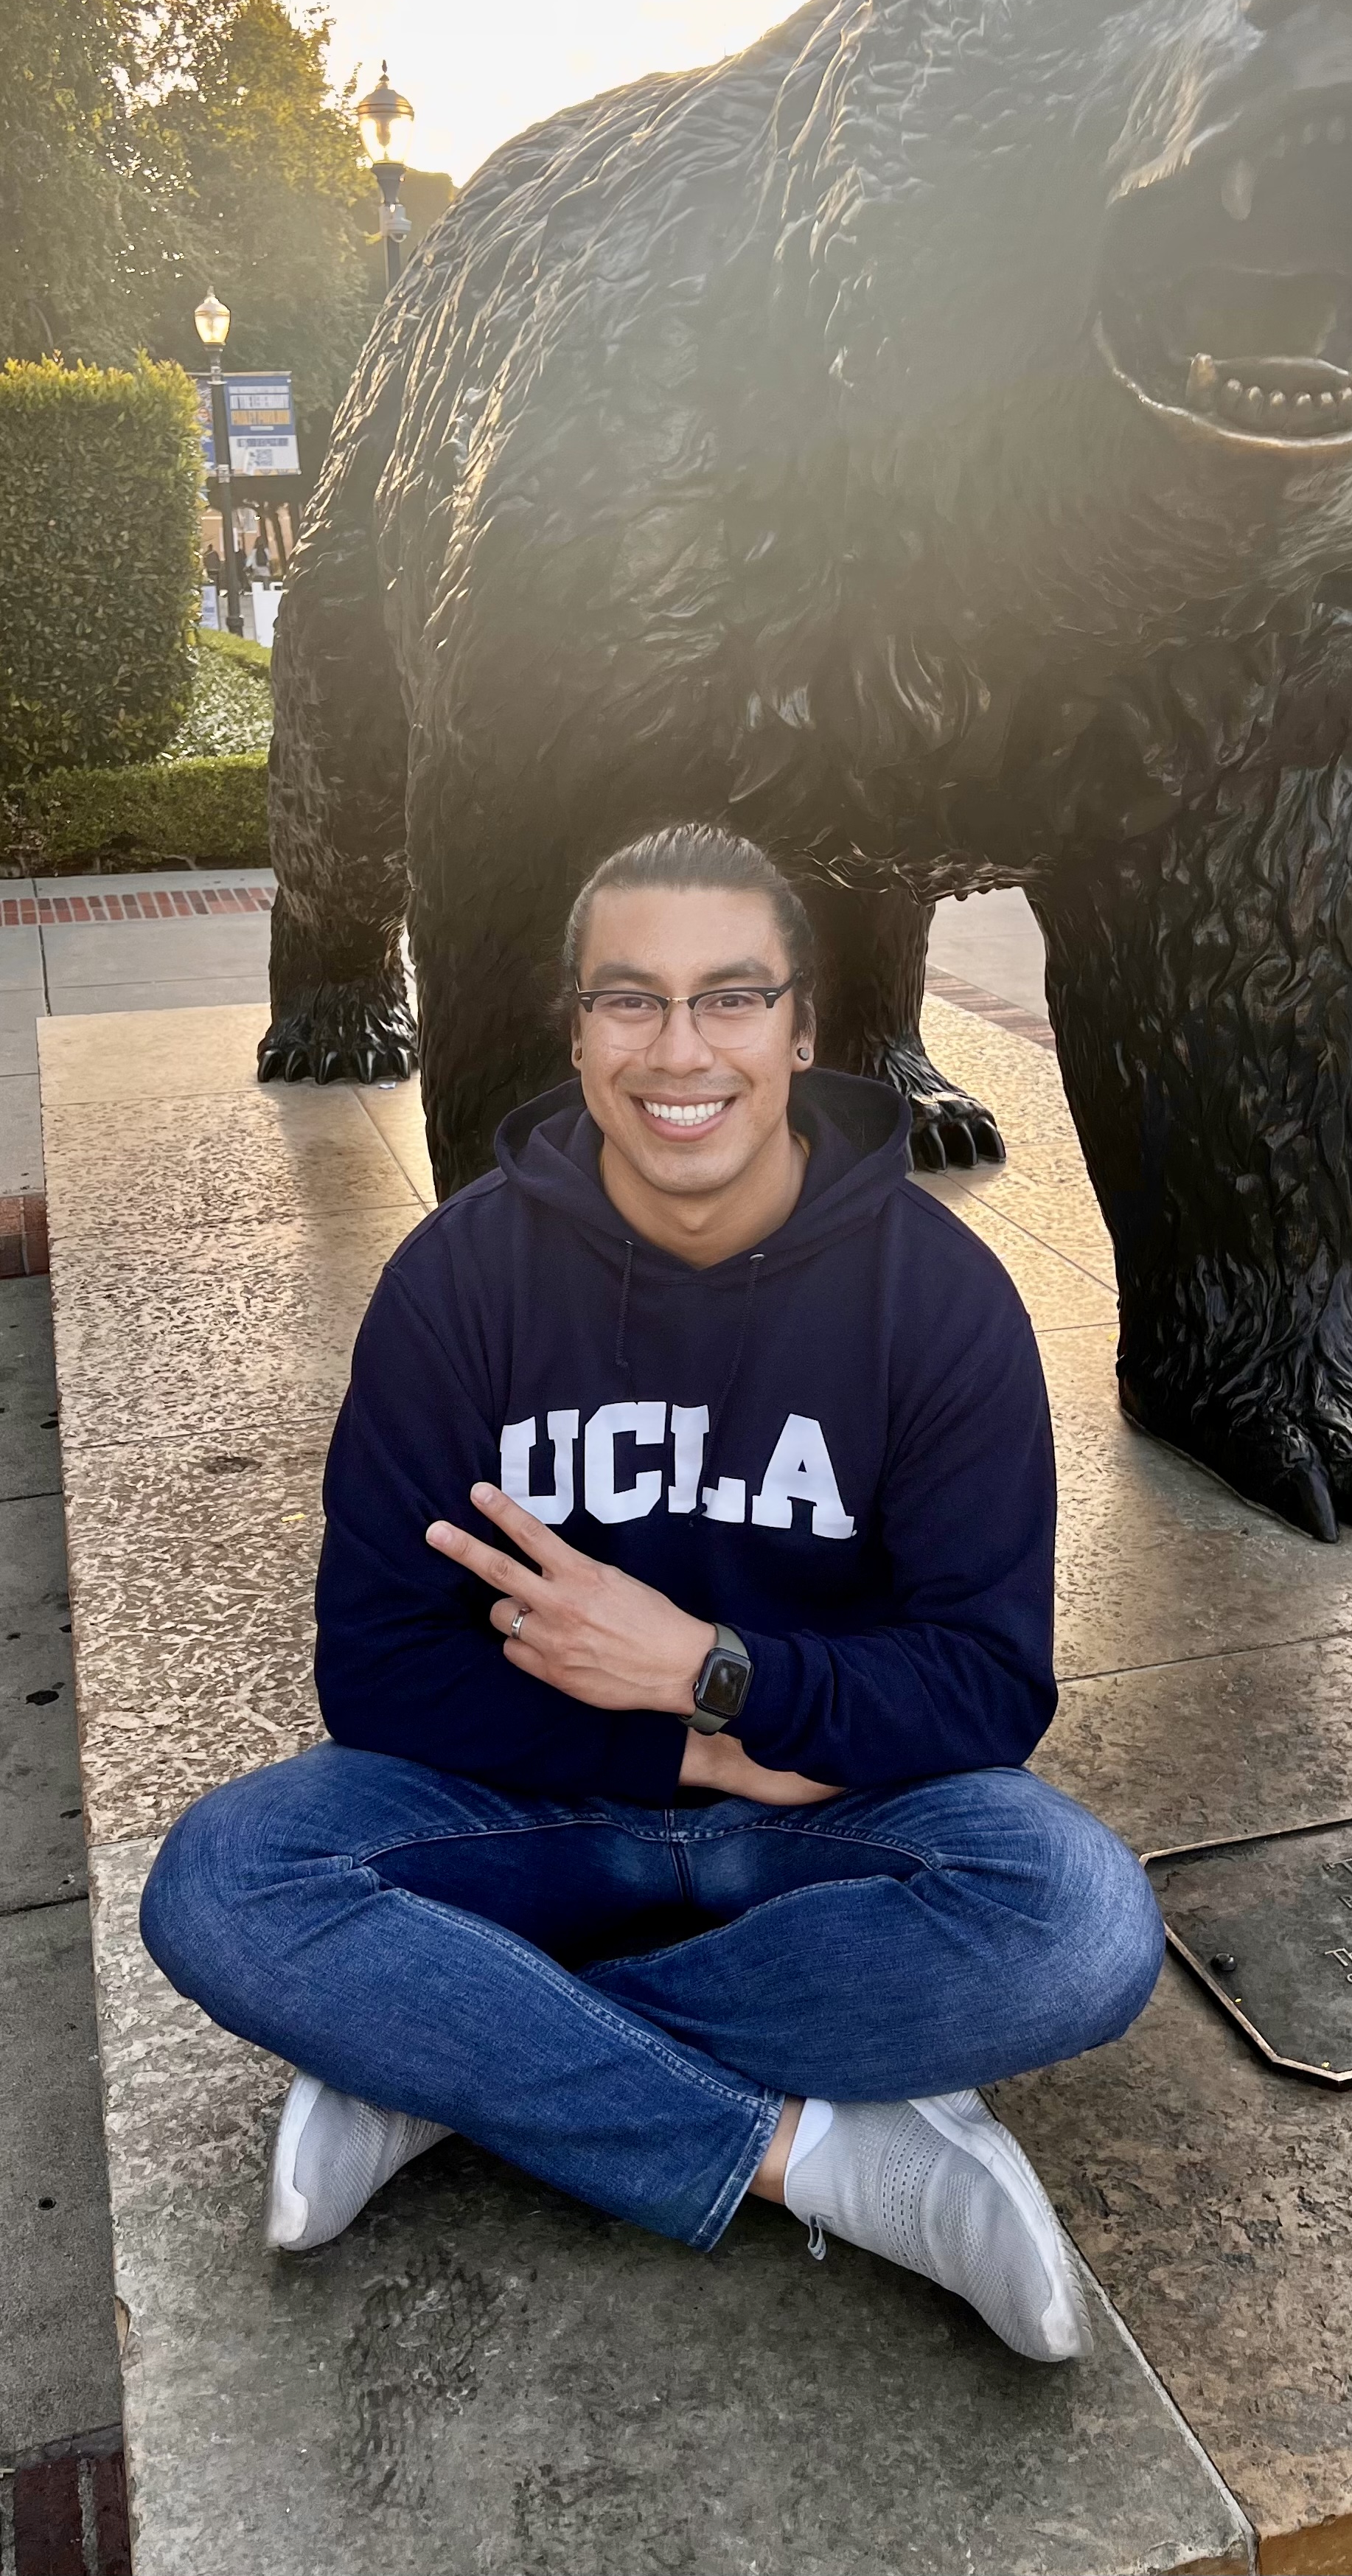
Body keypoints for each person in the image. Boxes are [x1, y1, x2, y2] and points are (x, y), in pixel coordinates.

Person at [141, 824, 1164, 2361]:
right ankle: (816, 2155)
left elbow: (985, 1682)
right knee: (224, 1880)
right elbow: (376, 1666)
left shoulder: (938, 1296)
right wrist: (693, 1745)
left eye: (731, 997)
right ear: (576, 1030)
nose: (680, 1050)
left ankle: (446, 2056)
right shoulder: (459, 1283)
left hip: (822, 1819)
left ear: (802, 1029)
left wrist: (713, 1668)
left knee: (1077, 1925)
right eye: (630, 999)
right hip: (530, 1806)